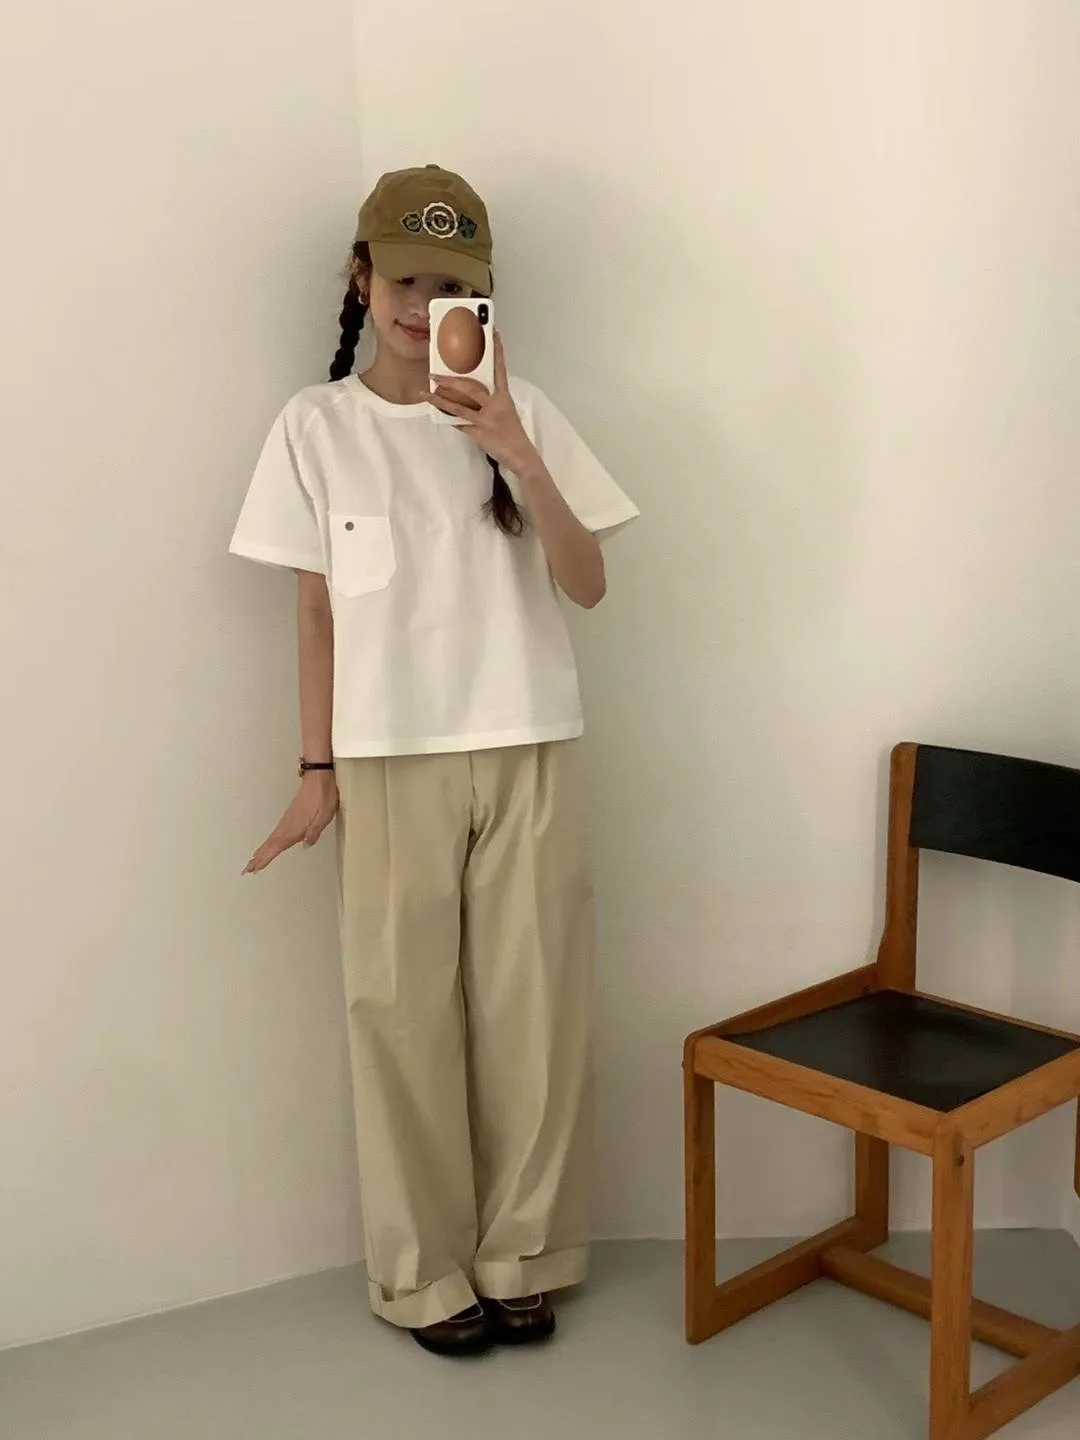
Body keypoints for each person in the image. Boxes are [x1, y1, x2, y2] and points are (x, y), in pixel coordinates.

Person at [229, 165, 638, 1358]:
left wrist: (512, 447)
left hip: (527, 745)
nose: (426, 307)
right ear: (362, 279)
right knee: (397, 1014)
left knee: (535, 1016)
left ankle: (525, 1256)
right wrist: (316, 772)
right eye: (408, 280)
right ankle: (420, 1274)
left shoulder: (525, 410)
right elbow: (315, 614)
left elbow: (589, 585)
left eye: (455, 287)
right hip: (389, 758)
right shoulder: (315, 428)